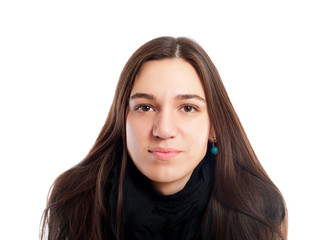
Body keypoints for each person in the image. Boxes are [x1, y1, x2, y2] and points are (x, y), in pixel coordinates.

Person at [41, 36, 288, 240]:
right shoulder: (76, 201)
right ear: (122, 120)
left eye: (188, 108)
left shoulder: (257, 211)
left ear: (215, 127)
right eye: (145, 107)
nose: (164, 130)